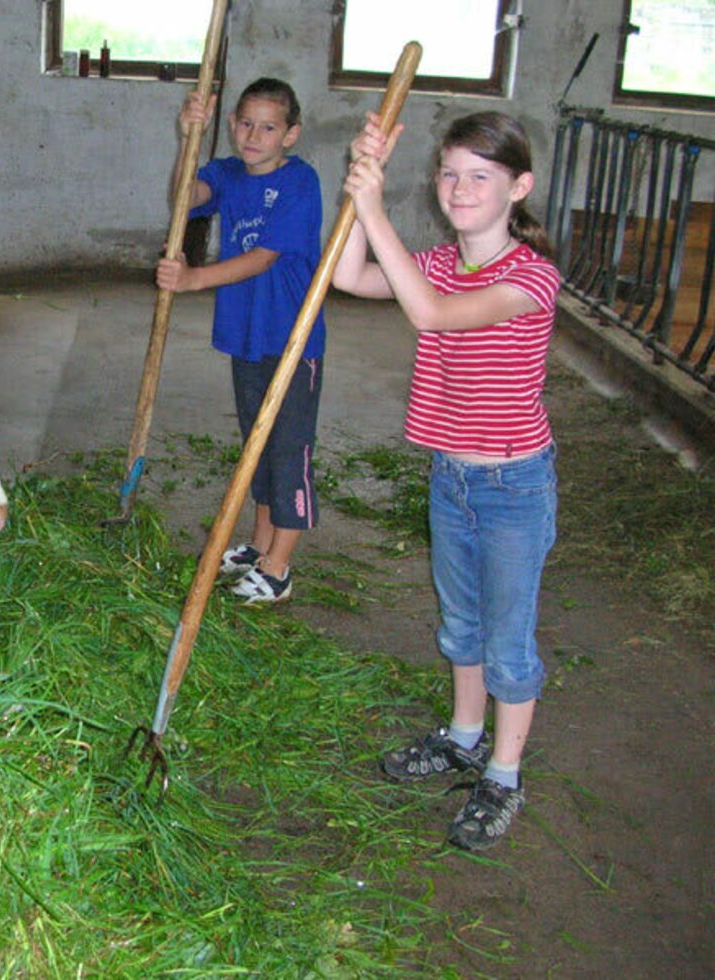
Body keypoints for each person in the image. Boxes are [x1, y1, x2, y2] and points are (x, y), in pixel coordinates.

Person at [331, 110, 561, 851]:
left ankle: (503, 775)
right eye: (449, 173)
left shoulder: (531, 276)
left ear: (519, 187)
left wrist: (374, 207)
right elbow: (347, 274)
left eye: (481, 177)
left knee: (507, 641)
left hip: (513, 486)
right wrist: (363, 184)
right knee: (460, 623)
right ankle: (464, 735)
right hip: (451, 477)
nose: (460, 189)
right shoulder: (434, 260)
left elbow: (430, 318)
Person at [156, 78, 326, 604]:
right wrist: (189, 137)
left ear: (290, 134)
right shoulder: (227, 174)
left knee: (288, 449)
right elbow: (183, 198)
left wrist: (193, 279)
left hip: (291, 341)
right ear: (231, 125)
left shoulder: (301, 182)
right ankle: (258, 546)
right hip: (247, 339)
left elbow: (265, 256)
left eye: (269, 127)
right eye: (245, 123)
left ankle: (278, 569)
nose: (254, 134)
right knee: (257, 445)